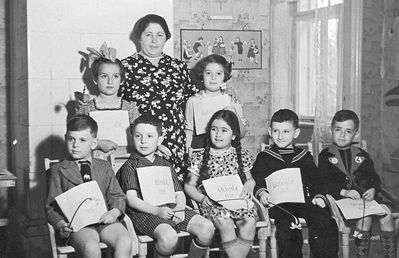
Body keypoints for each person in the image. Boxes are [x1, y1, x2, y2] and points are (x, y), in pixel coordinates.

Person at [117, 114, 215, 258]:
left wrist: (180, 209)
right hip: (145, 213)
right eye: (138, 136)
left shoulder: (165, 164)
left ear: (160, 139)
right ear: (132, 137)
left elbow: (179, 193)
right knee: (169, 237)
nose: (143, 141)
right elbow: (131, 199)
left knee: (207, 229)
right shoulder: (130, 166)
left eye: (150, 136)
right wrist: (157, 211)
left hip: (171, 208)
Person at [119, 14, 198, 181]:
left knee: (175, 194)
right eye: (148, 35)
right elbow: (119, 111)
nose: (154, 41)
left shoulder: (178, 66)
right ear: (139, 37)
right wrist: (150, 145)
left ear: (166, 38)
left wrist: (224, 91)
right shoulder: (125, 67)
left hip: (176, 143)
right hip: (144, 144)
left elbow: (193, 103)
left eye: (159, 35)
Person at [251, 109, 339, 258]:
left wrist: (319, 197)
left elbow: (316, 179)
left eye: (286, 131)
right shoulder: (264, 157)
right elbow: (257, 177)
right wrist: (262, 192)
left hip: (303, 202)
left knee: (325, 221)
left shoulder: (304, 156)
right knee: (288, 226)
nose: (280, 136)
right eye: (276, 131)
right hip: (278, 205)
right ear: (270, 132)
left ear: (296, 133)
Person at [45, 114, 132, 258]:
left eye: (82, 140)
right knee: (91, 247)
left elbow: (117, 196)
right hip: (79, 226)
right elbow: (51, 207)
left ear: (93, 143)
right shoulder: (58, 170)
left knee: (125, 241)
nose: (75, 145)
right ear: (65, 138)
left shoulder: (103, 167)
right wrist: (61, 224)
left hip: (105, 221)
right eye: (71, 139)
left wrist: (114, 213)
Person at [318, 109, 396, 258]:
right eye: (338, 129)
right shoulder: (326, 154)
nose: (342, 135)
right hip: (340, 200)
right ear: (331, 130)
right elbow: (322, 181)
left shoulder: (361, 154)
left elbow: (373, 176)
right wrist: (343, 192)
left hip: (365, 200)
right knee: (365, 217)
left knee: (386, 214)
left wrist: (373, 188)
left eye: (348, 131)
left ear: (356, 134)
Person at [184, 110, 257, 258]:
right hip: (213, 205)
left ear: (234, 135)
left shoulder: (241, 155)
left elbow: (250, 179)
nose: (218, 134)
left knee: (249, 221)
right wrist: (201, 199)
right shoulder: (199, 157)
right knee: (226, 222)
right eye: (214, 129)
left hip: (237, 201)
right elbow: (188, 185)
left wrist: (250, 184)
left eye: (224, 130)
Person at [77, 43, 140, 156]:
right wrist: (98, 144)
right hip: (96, 165)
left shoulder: (130, 108)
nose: (110, 81)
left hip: (125, 163)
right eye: (104, 76)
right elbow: (77, 140)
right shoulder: (87, 109)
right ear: (95, 79)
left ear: (122, 80)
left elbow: (141, 136)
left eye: (115, 76)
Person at [186, 54, 247, 153]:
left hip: (228, 153)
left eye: (218, 73)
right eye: (208, 73)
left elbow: (242, 134)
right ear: (202, 76)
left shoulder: (231, 99)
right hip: (201, 150)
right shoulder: (193, 101)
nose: (213, 77)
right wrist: (188, 149)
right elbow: (189, 130)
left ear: (225, 76)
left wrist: (234, 113)